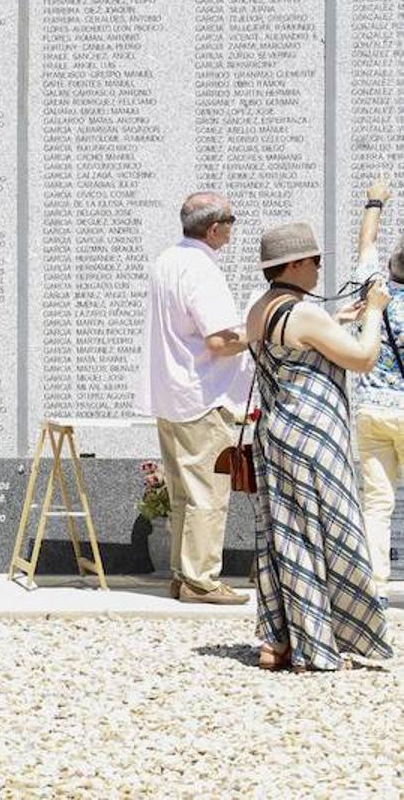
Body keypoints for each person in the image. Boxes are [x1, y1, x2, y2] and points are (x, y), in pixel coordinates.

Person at [245, 222, 394, 671]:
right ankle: (317, 648)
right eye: (314, 262)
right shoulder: (306, 315)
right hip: (314, 438)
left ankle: (278, 641)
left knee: (283, 537)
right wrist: (373, 312)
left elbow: (300, 342)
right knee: (329, 537)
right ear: (293, 264)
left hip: (275, 435)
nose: (317, 270)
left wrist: (339, 320)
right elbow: (364, 357)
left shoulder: (259, 308)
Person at [135, 192, 250, 605]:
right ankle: (202, 580)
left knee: (183, 493)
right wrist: (259, 331)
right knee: (208, 493)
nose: (234, 228)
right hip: (203, 394)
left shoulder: (166, 261)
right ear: (215, 228)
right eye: (232, 221)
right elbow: (219, 339)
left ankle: (183, 575)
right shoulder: (202, 269)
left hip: (171, 394)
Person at [349, 177, 402, 608]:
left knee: (377, 502)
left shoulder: (373, 289)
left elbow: (366, 243)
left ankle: (376, 586)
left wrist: (375, 202)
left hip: (371, 409)